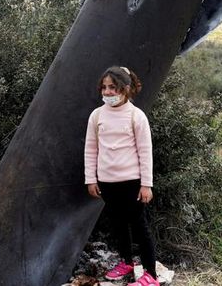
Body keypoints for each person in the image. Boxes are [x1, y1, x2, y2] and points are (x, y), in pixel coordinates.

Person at [84, 66, 158, 286]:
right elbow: (90, 149)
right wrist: (91, 179)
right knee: (118, 225)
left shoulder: (136, 116)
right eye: (104, 87)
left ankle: (151, 275)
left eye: (112, 88)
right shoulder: (97, 115)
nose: (107, 92)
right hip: (107, 183)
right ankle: (126, 262)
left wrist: (146, 184)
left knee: (139, 226)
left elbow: (145, 152)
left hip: (132, 183)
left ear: (125, 89)